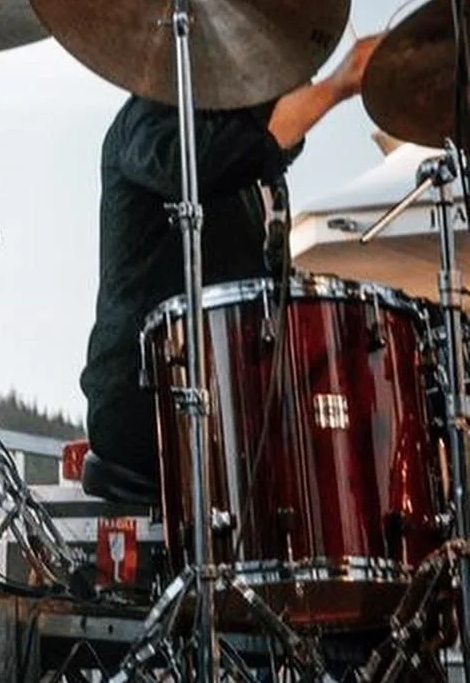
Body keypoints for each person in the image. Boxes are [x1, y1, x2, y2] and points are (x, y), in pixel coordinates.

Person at [81, 35, 381, 489]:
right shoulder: (151, 114)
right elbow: (203, 164)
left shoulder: (254, 179)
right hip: (150, 407)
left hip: (231, 404)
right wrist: (336, 87)